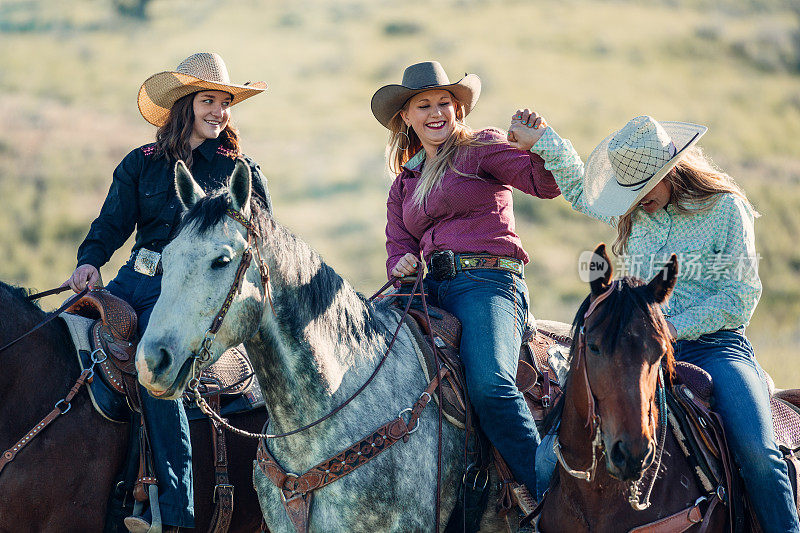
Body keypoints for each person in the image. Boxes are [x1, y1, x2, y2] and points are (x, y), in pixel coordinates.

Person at [507, 111, 800, 532]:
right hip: (637, 351)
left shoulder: (724, 209)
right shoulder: (633, 210)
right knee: (552, 448)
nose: (638, 197)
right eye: (631, 190)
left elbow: (739, 296)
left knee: (758, 451)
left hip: (714, 347)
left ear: (673, 169)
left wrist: (672, 329)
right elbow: (577, 188)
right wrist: (544, 139)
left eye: (646, 186)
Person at [63, 52, 271, 533]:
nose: (219, 111)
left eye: (224, 102)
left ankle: (174, 514)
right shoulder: (142, 164)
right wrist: (89, 260)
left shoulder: (240, 172)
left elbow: (263, 241)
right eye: (208, 101)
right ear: (185, 105)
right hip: (132, 280)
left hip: (188, 293)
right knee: (65, 335)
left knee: (157, 369)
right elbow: (111, 223)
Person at [371, 61, 561, 513]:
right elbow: (397, 244)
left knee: (491, 385)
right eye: (424, 105)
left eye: (444, 103)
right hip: (427, 290)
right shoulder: (405, 183)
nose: (436, 112)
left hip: (486, 281)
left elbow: (546, 183)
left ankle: (550, 501)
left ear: (457, 110)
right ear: (407, 118)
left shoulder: (480, 148)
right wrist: (402, 265)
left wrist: (542, 145)